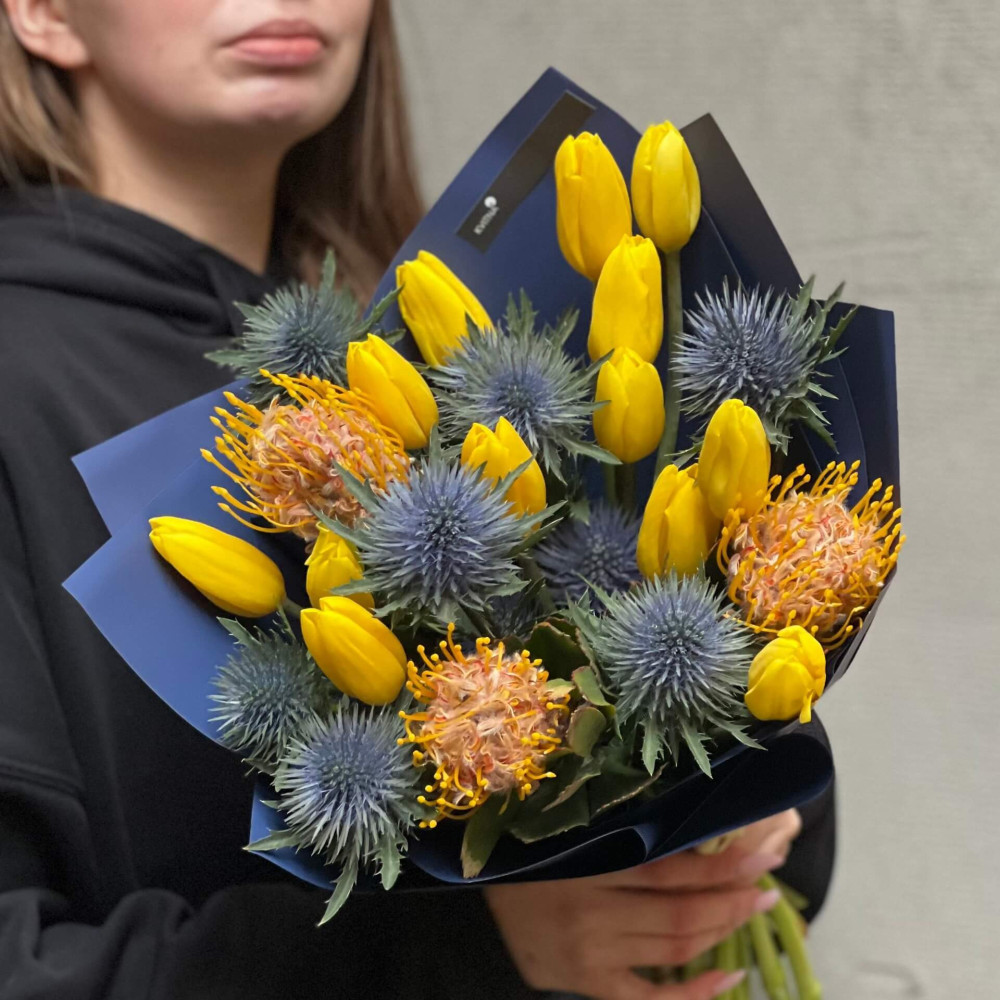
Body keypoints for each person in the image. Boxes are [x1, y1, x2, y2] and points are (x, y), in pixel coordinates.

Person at [0, 1, 835, 998]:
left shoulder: (441, 345)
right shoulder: (19, 375)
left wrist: (738, 798)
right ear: (42, 12)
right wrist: (459, 945)